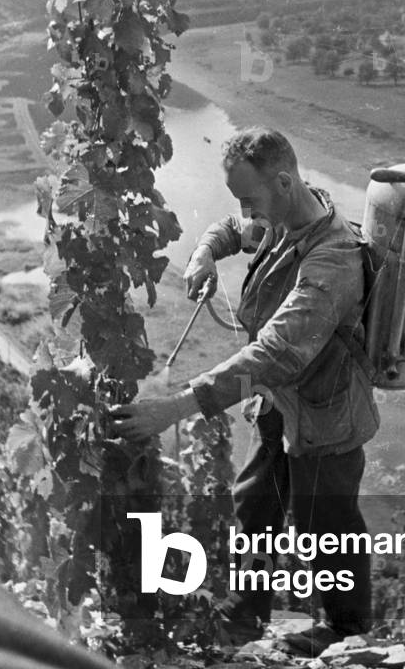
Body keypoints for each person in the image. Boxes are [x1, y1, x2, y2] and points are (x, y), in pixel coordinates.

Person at [110, 127, 380, 655]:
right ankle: (244, 620)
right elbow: (234, 228)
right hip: (281, 400)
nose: (244, 209)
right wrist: (205, 254)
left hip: (326, 412)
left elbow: (275, 354)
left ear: (283, 182)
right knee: (254, 504)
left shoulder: (334, 258)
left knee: (326, 524)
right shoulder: (283, 219)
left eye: (250, 197)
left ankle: (350, 635)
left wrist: (178, 406)